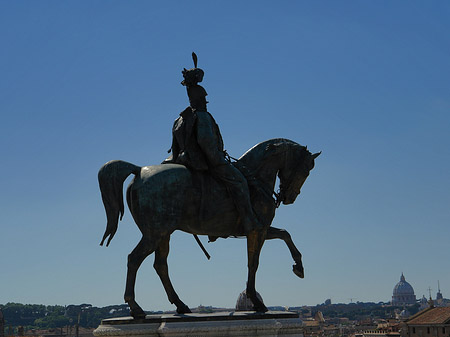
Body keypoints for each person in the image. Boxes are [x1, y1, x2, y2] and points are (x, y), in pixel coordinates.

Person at [163, 55, 263, 234]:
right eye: (204, 98)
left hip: (182, 161)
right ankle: (248, 221)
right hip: (204, 162)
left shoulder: (180, 119)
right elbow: (206, 144)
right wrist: (219, 160)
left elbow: (175, 147)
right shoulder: (202, 118)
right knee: (239, 181)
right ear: (200, 97)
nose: (206, 101)